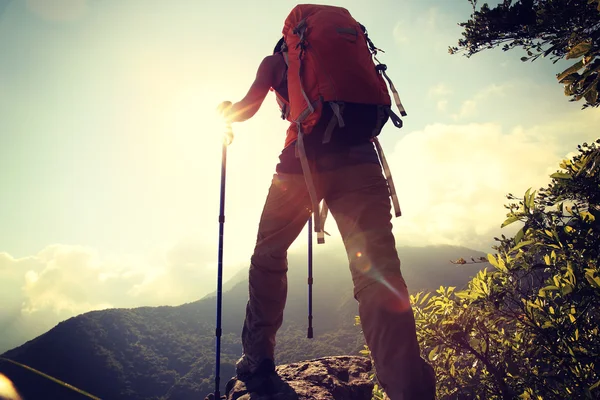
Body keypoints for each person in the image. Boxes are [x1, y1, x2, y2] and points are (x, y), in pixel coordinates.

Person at [217, 5, 436, 399]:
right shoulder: (352, 52)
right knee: (378, 273)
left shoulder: (275, 62)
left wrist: (224, 116)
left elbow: (246, 108)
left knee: (268, 256)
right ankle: (406, 387)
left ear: (292, 39)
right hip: (362, 158)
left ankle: (258, 357)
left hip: (301, 164)